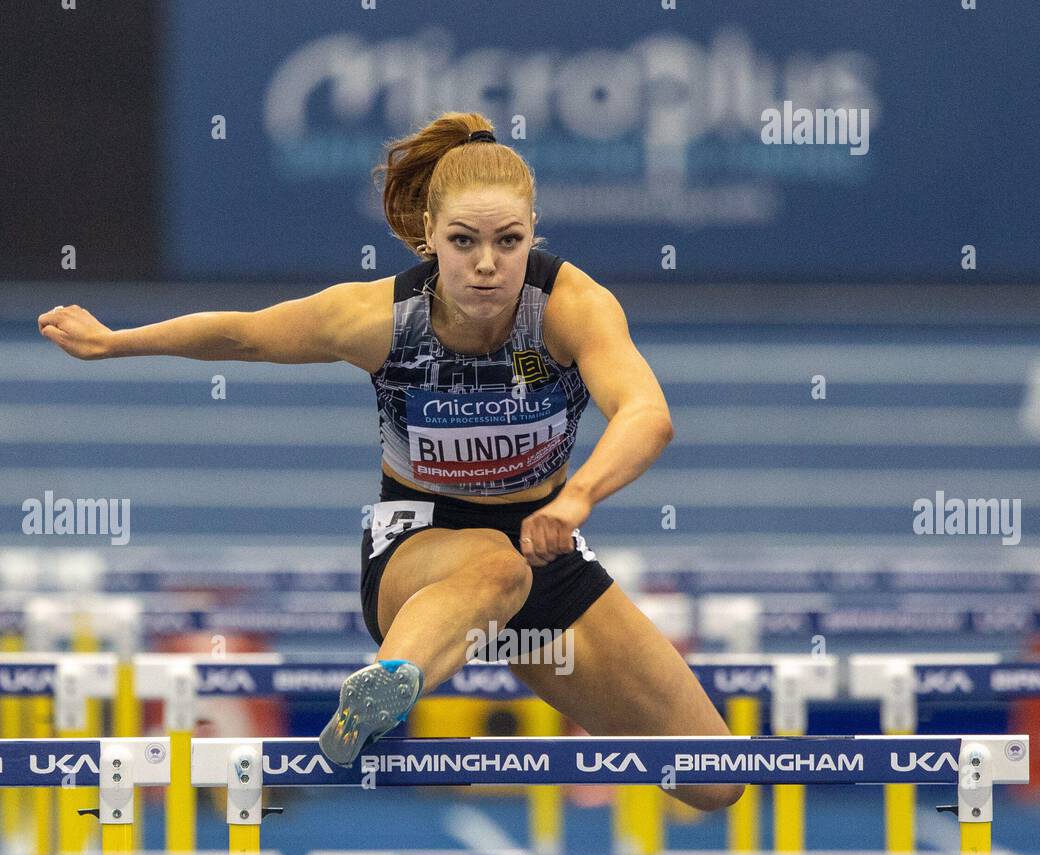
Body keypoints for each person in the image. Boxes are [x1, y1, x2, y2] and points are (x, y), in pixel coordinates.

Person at [38, 112, 743, 813]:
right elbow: (245, 336)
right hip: (417, 545)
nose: (488, 263)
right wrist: (115, 341)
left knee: (714, 778)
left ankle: (447, 649)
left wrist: (576, 498)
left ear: (534, 235)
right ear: (430, 236)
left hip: (544, 541)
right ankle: (384, 685)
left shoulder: (573, 308)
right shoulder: (379, 318)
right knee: (491, 565)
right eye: (465, 242)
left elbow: (648, 414)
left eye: (509, 241)